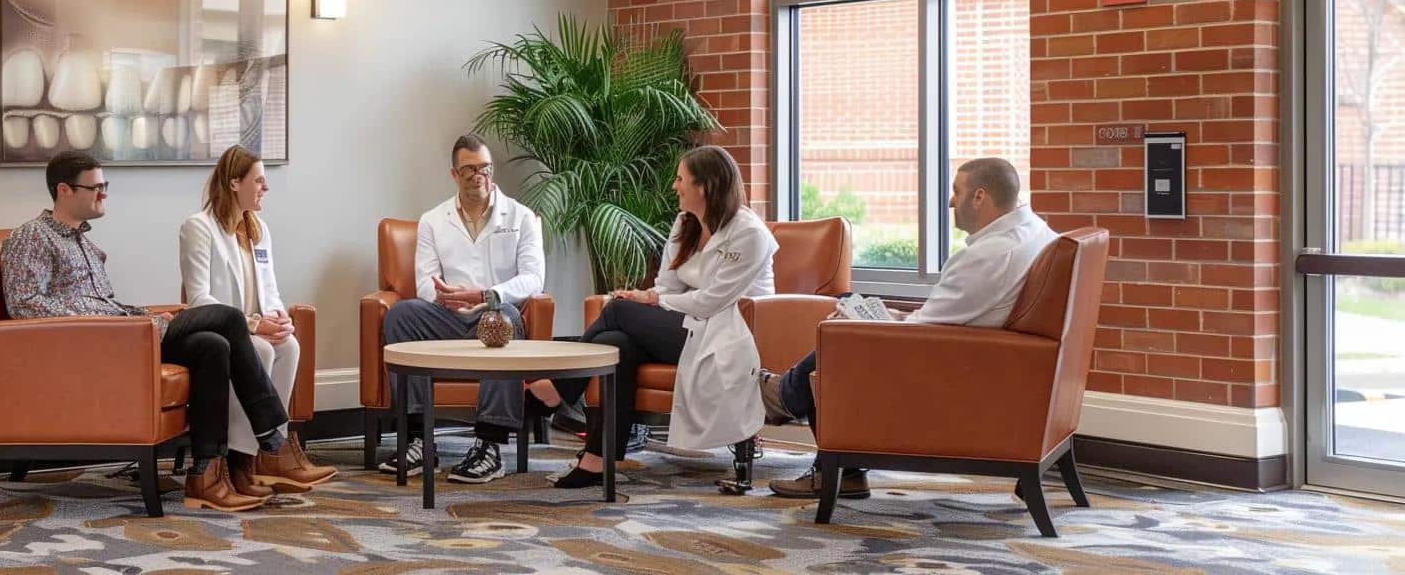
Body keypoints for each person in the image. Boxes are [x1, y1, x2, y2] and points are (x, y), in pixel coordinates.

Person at [0, 150, 289, 513]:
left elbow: (104, 302)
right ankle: (272, 435)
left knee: (213, 345)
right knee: (229, 318)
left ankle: (206, 476)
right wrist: (110, 324)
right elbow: (25, 306)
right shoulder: (31, 237)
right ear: (64, 190)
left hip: (125, 332)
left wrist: (137, 315)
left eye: (105, 186)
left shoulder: (86, 244)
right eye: (96, 187)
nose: (104, 193)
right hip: (103, 343)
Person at [763, 157, 1058, 499]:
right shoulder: (1035, 231)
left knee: (837, 341)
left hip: (949, 371)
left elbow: (925, 331)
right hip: (980, 358)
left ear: (980, 197)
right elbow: (946, 315)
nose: (950, 201)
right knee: (848, 312)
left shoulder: (991, 255)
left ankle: (785, 397)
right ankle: (823, 440)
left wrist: (868, 323)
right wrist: (891, 315)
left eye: (955, 191)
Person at [530, 145, 778, 489]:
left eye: (680, 179)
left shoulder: (750, 234)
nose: (674, 186)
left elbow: (710, 302)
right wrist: (650, 298)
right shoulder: (685, 223)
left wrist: (653, 300)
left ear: (704, 187)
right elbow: (668, 286)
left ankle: (559, 388)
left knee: (616, 310)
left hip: (725, 333)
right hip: (686, 326)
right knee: (613, 342)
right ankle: (597, 459)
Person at [379, 134, 545, 484]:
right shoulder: (433, 220)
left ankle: (489, 446)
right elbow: (425, 283)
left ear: (491, 170)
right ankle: (419, 441)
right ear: (454, 174)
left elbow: (534, 279)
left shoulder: (522, 216)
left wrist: (487, 295)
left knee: (506, 320)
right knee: (400, 316)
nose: (477, 175)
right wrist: (450, 297)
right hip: (447, 318)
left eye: (483, 167)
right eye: (468, 169)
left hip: (496, 316)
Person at [180, 146, 340, 499]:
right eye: (259, 181)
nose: (265, 188)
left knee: (290, 346)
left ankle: (264, 455)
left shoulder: (258, 230)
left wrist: (279, 317)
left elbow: (270, 288)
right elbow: (199, 300)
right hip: (225, 329)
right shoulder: (199, 227)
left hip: (259, 326)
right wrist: (253, 326)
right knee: (262, 350)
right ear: (234, 182)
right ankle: (240, 461)